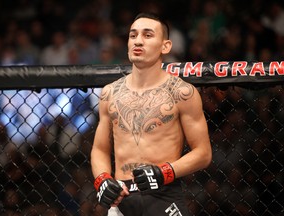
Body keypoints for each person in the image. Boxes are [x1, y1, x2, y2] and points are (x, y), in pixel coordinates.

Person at [90, 12, 212, 216]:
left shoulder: (181, 92)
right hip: (122, 197)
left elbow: (203, 153)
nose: (138, 41)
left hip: (163, 194)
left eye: (147, 35)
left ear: (165, 46)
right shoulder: (110, 93)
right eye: (133, 35)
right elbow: (100, 149)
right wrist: (102, 179)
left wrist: (164, 172)